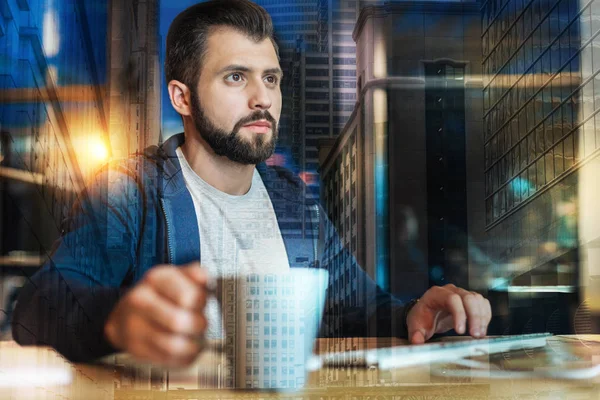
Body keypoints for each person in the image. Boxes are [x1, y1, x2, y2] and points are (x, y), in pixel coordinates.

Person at [12, 0, 491, 367]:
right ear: (181, 96)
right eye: (236, 77)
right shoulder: (130, 192)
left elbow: (361, 309)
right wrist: (118, 319)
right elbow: (39, 308)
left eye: (272, 78)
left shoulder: (293, 201)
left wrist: (420, 313)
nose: (263, 98)